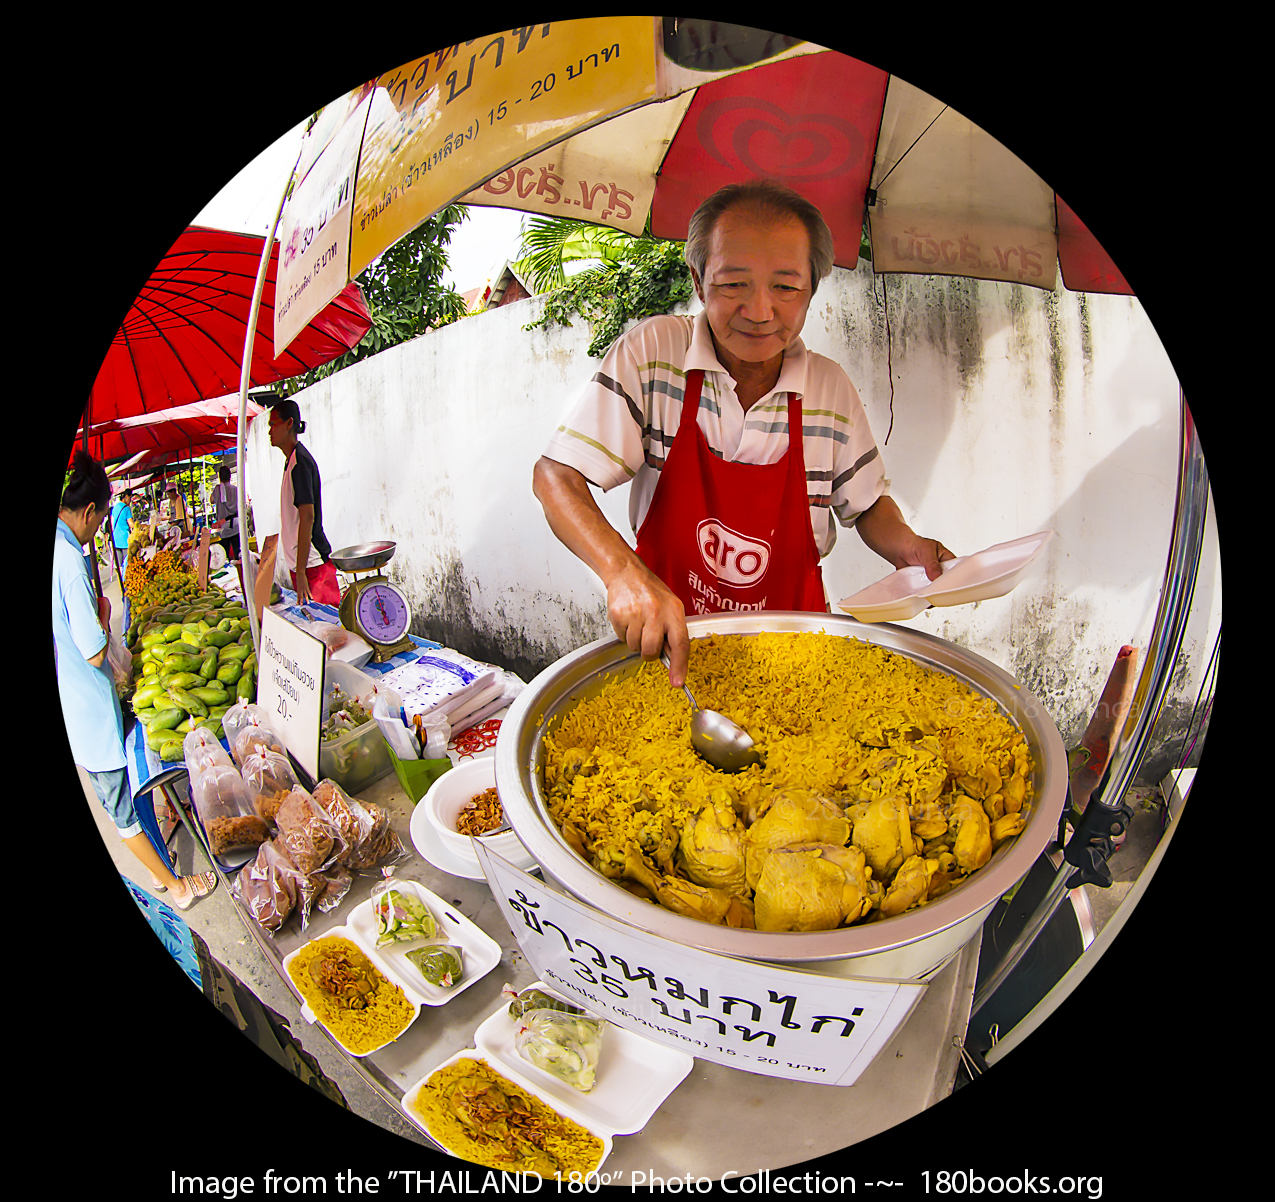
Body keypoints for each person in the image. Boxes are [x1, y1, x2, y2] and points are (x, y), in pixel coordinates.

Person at [533, 179, 954, 688]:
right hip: (669, 656)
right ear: (697, 277)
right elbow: (556, 476)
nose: (759, 311)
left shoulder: (830, 390)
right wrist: (623, 573)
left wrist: (909, 547)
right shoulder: (654, 354)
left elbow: (865, 505)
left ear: (812, 290)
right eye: (734, 284)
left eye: (785, 287)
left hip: (795, 658)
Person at [55, 451, 217, 909]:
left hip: (78, 701)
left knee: (126, 795)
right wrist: (103, 616)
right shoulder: (67, 561)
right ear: (89, 512)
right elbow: (93, 652)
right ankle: (178, 886)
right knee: (121, 809)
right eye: (99, 521)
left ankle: (161, 867)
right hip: (87, 708)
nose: (97, 531)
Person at [268, 399, 341, 606]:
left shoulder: (300, 462)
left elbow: (307, 517)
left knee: (328, 628)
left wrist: (301, 571)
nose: (270, 431)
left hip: (312, 566)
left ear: (289, 423)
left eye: (274, 424)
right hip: (303, 565)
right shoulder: (291, 460)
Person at [210, 465, 240, 562]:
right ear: (230, 476)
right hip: (235, 525)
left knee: (224, 557)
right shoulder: (235, 489)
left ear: (219, 477)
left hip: (223, 528)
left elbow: (211, 500)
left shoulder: (217, 490)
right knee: (238, 553)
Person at [109, 488, 132, 583]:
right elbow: (131, 524)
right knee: (126, 562)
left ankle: (121, 582)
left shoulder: (115, 507)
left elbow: (112, 521)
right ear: (126, 496)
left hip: (115, 539)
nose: (130, 501)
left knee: (119, 565)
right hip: (125, 539)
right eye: (130, 498)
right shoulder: (126, 508)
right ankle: (126, 581)